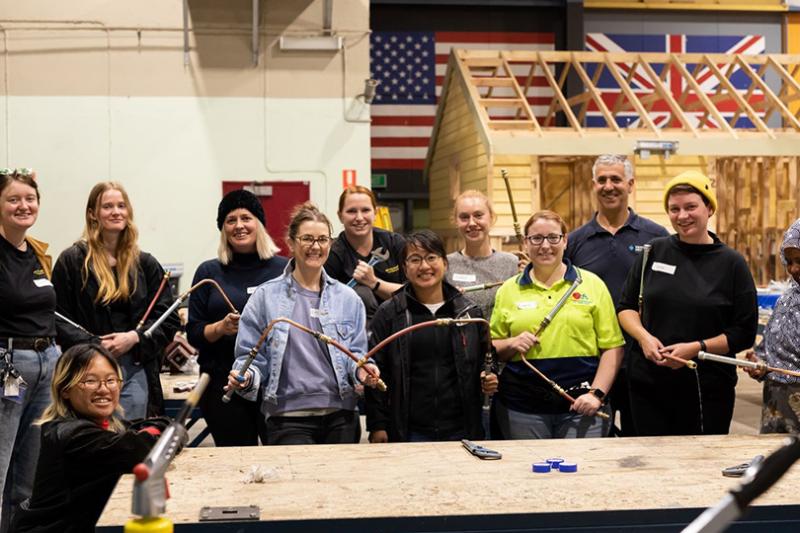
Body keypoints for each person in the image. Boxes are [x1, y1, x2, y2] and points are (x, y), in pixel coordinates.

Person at [226, 202, 380, 445]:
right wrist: (246, 377)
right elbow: (251, 358)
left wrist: (363, 371)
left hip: (341, 416)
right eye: (307, 238)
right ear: (291, 242)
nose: (315, 247)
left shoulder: (348, 299)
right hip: (286, 418)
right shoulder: (265, 297)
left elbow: (357, 355)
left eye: (322, 239)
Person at [618, 171, 758, 436]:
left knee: (701, 462)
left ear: (709, 208)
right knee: (650, 461)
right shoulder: (653, 251)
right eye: (674, 209)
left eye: (691, 207)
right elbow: (625, 307)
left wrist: (695, 348)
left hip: (706, 387)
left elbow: (743, 333)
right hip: (649, 384)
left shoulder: (731, 263)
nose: (682, 216)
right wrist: (645, 339)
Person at [490, 210, 624, 439]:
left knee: (582, 472)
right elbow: (492, 346)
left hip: (581, 406)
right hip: (523, 408)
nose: (545, 246)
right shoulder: (508, 290)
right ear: (526, 242)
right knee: (530, 471)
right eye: (536, 238)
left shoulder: (592, 285)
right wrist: (512, 343)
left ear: (565, 240)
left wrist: (596, 394)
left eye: (553, 237)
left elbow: (613, 347)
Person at [51, 182, 179, 420]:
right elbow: (57, 318)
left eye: (121, 206)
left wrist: (134, 338)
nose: (116, 212)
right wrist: (93, 344)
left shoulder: (146, 264)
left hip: (136, 367)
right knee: (93, 438)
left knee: (129, 440)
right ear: (93, 213)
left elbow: (168, 319)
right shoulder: (71, 262)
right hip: (86, 369)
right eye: (107, 206)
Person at [11, 344, 171, 532]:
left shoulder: (98, 425)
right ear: (65, 389)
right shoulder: (72, 435)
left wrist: (160, 431)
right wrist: (163, 435)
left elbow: (155, 426)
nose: (103, 389)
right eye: (90, 381)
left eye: (111, 380)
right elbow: (138, 449)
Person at [565, 154, 668, 436]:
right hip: (592, 363)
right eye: (602, 180)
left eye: (616, 179)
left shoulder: (656, 237)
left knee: (643, 441)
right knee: (594, 440)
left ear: (631, 184)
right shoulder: (574, 242)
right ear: (593, 185)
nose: (608, 186)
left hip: (642, 360)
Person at [365, 230, 498, 443]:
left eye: (431, 257)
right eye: (415, 259)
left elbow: (487, 358)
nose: (424, 266)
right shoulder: (390, 313)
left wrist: (489, 377)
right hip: (408, 431)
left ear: (445, 263)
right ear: (405, 268)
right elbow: (376, 371)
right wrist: (378, 425)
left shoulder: (468, 312)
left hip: (462, 429)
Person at [187, 189, 288, 446]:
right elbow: (194, 333)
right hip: (223, 385)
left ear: (259, 224)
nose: (239, 225)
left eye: (246, 218)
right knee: (235, 463)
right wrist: (220, 328)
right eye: (231, 220)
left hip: (275, 384)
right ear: (223, 228)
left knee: (282, 461)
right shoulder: (209, 271)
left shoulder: (284, 269)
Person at [0, 168, 60, 531]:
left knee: (31, 470)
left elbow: (50, 310)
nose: (24, 205)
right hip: (9, 364)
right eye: (13, 199)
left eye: (30, 198)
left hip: (47, 363)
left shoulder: (36, 251)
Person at [744, 218, 800, 433]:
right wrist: (759, 363)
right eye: (789, 261)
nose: (793, 269)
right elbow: (768, 350)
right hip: (777, 410)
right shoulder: (786, 301)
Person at [324, 186, 405, 323]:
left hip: (398, 324)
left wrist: (374, 282)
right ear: (340, 216)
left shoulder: (394, 243)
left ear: (375, 212)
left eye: (365, 210)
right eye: (351, 211)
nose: (359, 218)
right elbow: (326, 303)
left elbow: (413, 294)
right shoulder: (333, 254)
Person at [446, 190, 518, 320]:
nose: (472, 223)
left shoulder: (511, 263)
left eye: (478, 215)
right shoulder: (446, 264)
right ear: (456, 221)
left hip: (503, 339)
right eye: (464, 217)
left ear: (491, 217)